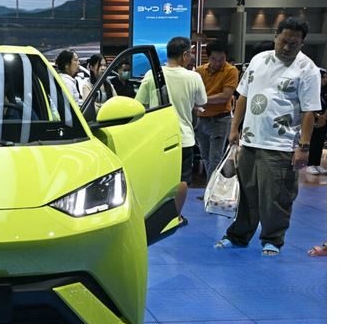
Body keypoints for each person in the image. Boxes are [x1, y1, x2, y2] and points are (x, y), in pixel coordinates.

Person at [216, 17, 321, 256]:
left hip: (282, 145)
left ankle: (272, 239)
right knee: (246, 193)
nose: (287, 47)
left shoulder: (308, 69)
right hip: (251, 140)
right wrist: (235, 127)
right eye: (283, 41)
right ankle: (238, 236)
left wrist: (303, 147)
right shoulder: (258, 60)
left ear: (302, 44)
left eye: (294, 44)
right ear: (276, 36)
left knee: (277, 197)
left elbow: (309, 111)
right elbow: (242, 96)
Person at [136, 37, 207, 226]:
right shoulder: (194, 77)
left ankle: (150, 215)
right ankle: (174, 216)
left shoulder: (152, 75)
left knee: (155, 177)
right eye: (190, 53)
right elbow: (202, 101)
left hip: (156, 137)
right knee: (182, 179)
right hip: (183, 137)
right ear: (184, 55)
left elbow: (139, 104)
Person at [195, 41, 239, 185]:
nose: (218, 63)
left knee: (215, 158)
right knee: (205, 157)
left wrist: (203, 100)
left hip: (220, 120)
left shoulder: (231, 71)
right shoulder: (200, 71)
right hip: (201, 119)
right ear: (208, 57)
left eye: (222, 59)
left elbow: (225, 96)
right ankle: (213, 186)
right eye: (214, 59)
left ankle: (210, 190)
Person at [306, 68, 327, 174]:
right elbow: (310, 106)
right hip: (314, 119)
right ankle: (310, 164)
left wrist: (324, 117)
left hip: (324, 120)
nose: (327, 79)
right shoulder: (313, 90)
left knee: (319, 143)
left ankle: (317, 164)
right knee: (313, 142)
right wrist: (318, 116)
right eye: (325, 77)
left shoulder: (326, 91)